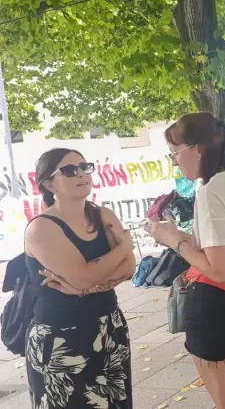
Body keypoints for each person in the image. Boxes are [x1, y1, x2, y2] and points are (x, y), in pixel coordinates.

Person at [144, 113, 225, 409]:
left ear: (198, 149)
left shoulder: (212, 190)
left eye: (175, 152)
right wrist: (174, 235)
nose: (174, 162)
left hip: (218, 308)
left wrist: (175, 242)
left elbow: (221, 270)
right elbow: (221, 247)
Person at [24, 148, 136, 408]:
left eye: (85, 167)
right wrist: (123, 246)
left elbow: (128, 268)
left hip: (109, 327)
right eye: (69, 170)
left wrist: (86, 287)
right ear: (49, 184)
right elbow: (83, 276)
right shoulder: (42, 228)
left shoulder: (103, 215)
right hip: (62, 338)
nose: (82, 174)